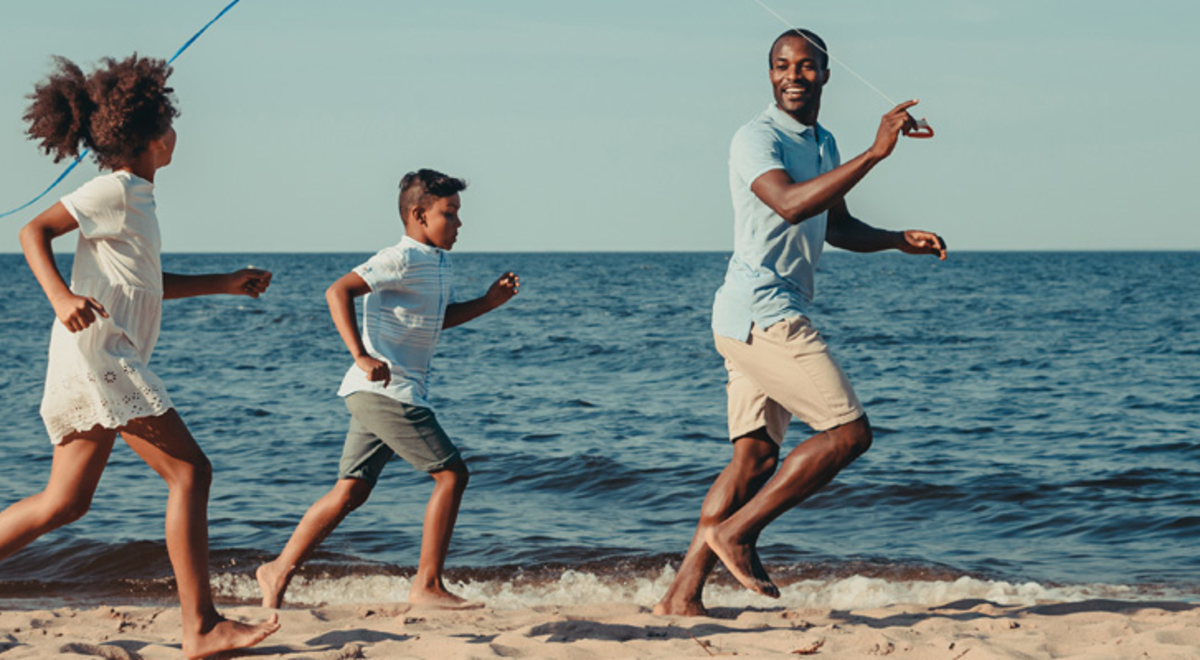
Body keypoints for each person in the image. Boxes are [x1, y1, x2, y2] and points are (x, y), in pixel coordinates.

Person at [655, 29, 948, 616]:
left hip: (753, 314)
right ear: (769, 76)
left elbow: (833, 224)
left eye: (807, 66)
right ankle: (738, 534)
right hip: (762, 311)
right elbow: (790, 203)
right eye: (782, 66)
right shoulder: (754, 138)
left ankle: (681, 596)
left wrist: (895, 240)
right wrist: (876, 153)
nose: (794, 75)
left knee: (755, 460)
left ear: (825, 74)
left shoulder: (822, 140)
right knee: (848, 434)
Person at [0, 55, 280, 656]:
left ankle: (201, 626)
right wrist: (60, 296)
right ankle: (200, 626)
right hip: (101, 358)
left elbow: (145, 283)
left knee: (64, 503)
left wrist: (223, 282)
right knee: (190, 473)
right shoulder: (114, 190)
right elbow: (32, 231)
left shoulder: (136, 198)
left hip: (97, 356)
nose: (178, 134)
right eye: (171, 124)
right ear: (155, 137)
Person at [257, 168, 519, 610]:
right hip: (387, 390)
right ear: (419, 215)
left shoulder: (436, 262)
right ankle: (427, 585)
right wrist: (360, 355)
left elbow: (436, 320)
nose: (458, 224)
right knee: (452, 475)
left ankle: (277, 569)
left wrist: (488, 303)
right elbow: (337, 291)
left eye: (457, 214)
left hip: (384, 392)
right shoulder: (401, 258)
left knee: (351, 491)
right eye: (449, 214)